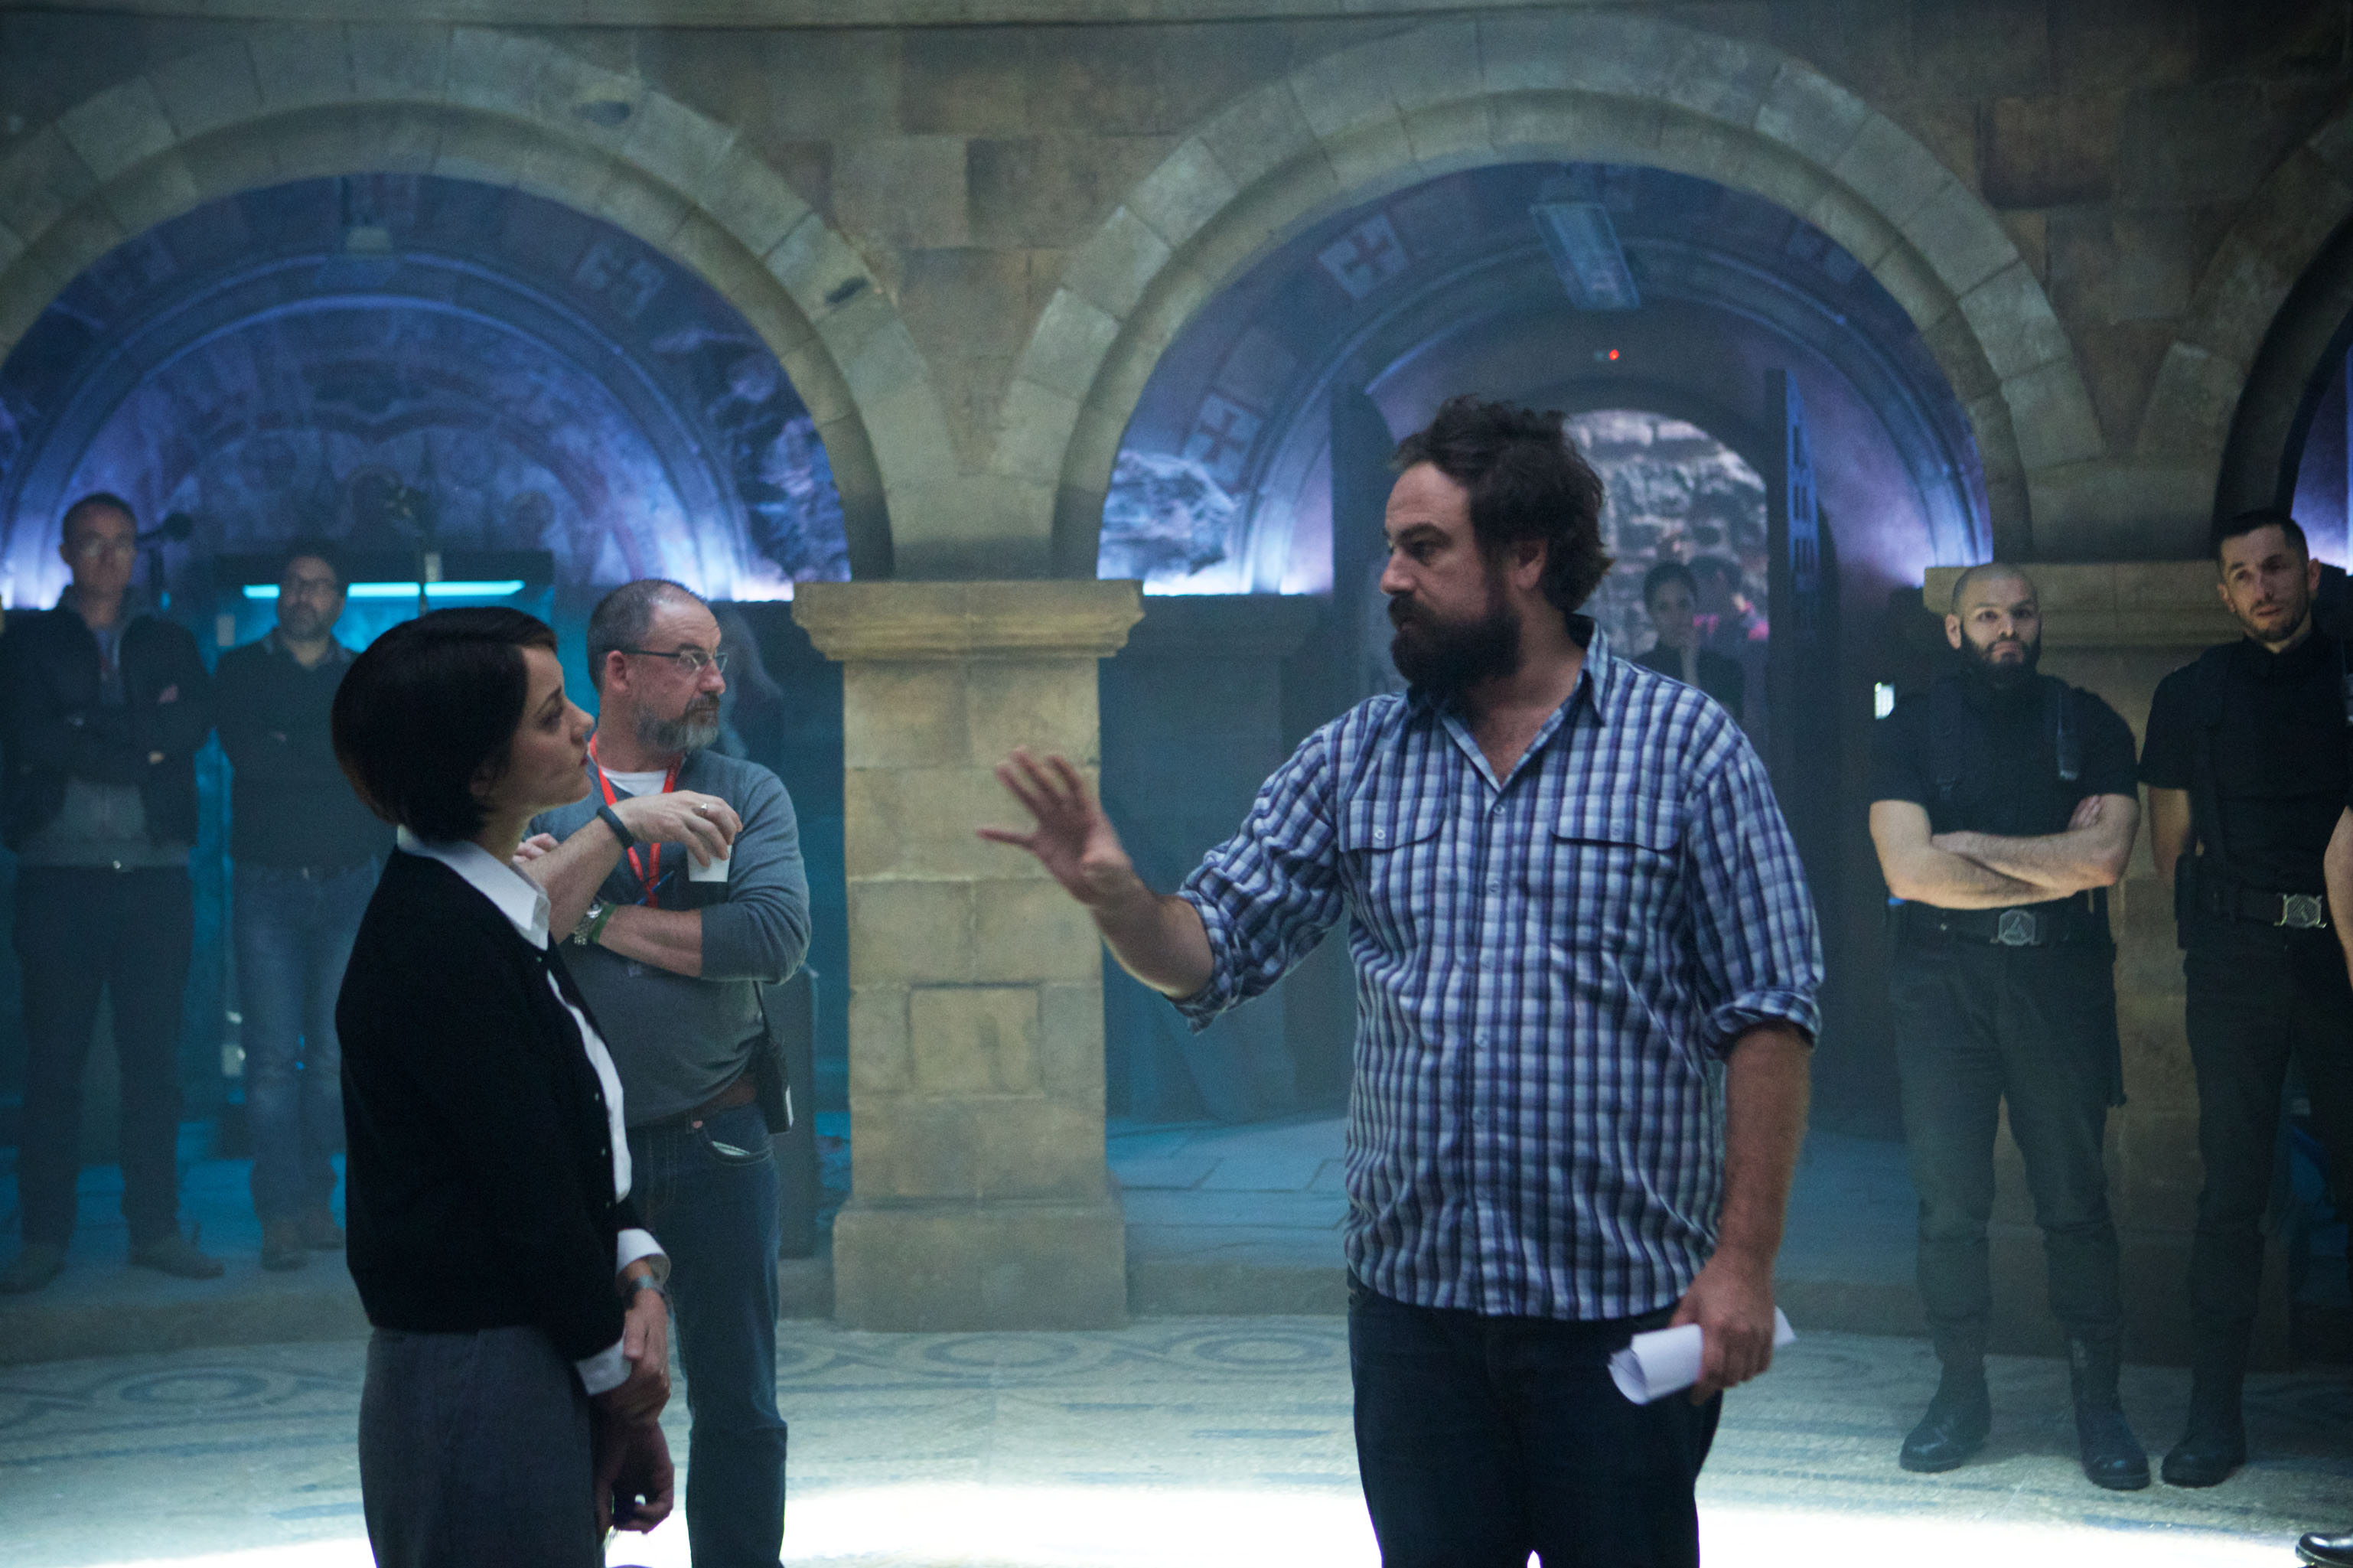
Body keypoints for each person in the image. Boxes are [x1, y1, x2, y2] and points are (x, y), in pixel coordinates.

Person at [982, 396, 1820, 1568]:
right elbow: (1206, 951)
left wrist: (1742, 1261)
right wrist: (1120, 901)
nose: (1388, 577)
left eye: (1423, 548)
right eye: (1389, 547)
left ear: (1524, 557)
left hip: (1618, 1312)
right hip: (1416, 1320)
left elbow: (1767, 1014)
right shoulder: (1354, 757)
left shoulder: (1685, 748)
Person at [332, 607, 683, 1565]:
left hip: (537, 1349)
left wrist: (636, 1281)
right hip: (479, 1369)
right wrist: (620, 1378)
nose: (584, 724)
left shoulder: (492, 911)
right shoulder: (436, 941)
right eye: (550, 715)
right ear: (479, 773)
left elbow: (577, 1135)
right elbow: (526, 1186)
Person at [515, 579, 808, 1568]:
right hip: (578, 1161)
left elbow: (770, 938)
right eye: (689, 659)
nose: (716, 679)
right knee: (571, 1398)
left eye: (716, 658)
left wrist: (594, 915)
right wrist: (597, 863)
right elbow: (514, 929)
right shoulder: (543, 794)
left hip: (718, 1135)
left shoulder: (746, 790)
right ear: (618, 669)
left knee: (741, 1406)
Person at [1866, 563, 2146, 1488]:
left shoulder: (2089, 723)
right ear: (1956, 630)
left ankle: (2098, 1406)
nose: (2007, 629)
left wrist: (1971, 847)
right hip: (1941, 986)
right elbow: (1909, 872)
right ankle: (1960, 1396)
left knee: (2076, 1200)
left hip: (2057, 983)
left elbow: (2105, 861)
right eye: (1986, 616)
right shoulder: (1909, 729)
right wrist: (2047, 861)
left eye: (2021, 613)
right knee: (1950, 1204)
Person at [2148, 509, 2353, 1486]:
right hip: (2236, 963)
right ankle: (2212, 1418)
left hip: (2344, 959)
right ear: (2223, 593)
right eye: (2242, 574)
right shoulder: (2191, 695)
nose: (2262, 586)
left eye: (2276, 566)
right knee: (2231, 1189)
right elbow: (2170, 850)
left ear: (2309, 572)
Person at [0, 493, 217, 1293]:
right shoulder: (28, 642)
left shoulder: (167, 639)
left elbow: (192, 725)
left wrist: (83, 732)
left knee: (153, 1064)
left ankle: (155, 1227)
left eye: (122, 542)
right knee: (52, 1064)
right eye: (92, 542)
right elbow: (28, 734)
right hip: (56, 876)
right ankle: (43, 1236)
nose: (108, 557)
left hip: (154, 878)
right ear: (65, 551)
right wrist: (138, 747)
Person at [215, 543, 390, 1271]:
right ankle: (279, 1214)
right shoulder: (239, 670)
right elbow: (251, 757)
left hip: (349, 882)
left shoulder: (363, 676)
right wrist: (327, 752)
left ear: (339, 599)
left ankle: (318, 1200)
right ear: (277, 592)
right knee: (268, 1062)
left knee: (330, 1059)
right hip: (268, 884)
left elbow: (371, 764)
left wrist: (294, 742)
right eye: (293, 582)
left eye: (318, 585)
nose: (303, 595)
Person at [1634, 559, 1745, 719]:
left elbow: (1710, 727)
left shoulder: (1725, 671)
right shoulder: (1637, 675)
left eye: (1683, 605)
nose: (1675, 617)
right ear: (1651, 613)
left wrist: (1689, 668)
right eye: (1664, 608)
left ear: (1695, 605)